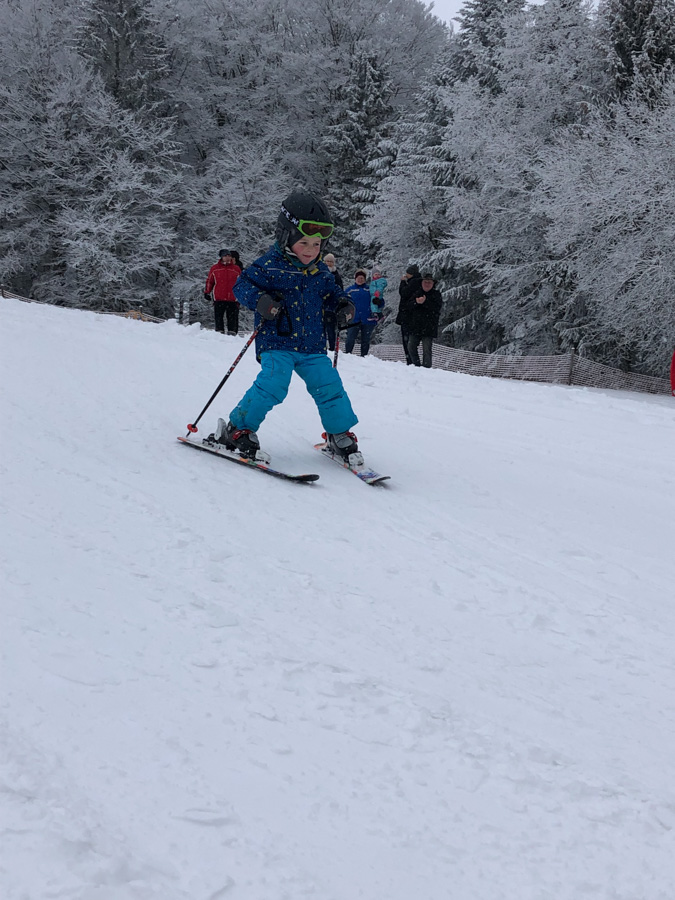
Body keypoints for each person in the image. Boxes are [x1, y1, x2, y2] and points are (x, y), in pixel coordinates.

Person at [210, 190, 361, 464]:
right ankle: (237, 429)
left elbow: (331, 294)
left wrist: (342, 304)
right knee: (273, 384)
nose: (311, 250)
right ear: (285, 237)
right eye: (304, 242)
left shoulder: (319, 271)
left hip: (312, 345)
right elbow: (241, 286)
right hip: (277, 341)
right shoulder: (269, 265)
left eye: (317, 244)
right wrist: (261, 300)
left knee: (329, 386)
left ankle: (338, 433)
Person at [404, 272, 443, 368]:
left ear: (433, 284)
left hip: (429, 327)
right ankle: (416, 366)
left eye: (429, 282)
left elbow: (436, 308)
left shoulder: (436, 295)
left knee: (427, 350)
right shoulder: (416, 293)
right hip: (415, 326)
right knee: (411, 347)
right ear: (421, 283)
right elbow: (408, 306)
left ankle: (426, 369)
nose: (427, 284)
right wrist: (416, 302)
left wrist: (425, 302)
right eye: (425, 282)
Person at [204, 250, 242, 335]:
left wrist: (241, 294)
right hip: (219, 297)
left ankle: (232, 334)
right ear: (221, 257)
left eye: (229, 256)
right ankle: (219, 334)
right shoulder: (215, 268)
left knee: (232, 318)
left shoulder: (236, 269)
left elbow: (241, 283)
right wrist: (207, 292)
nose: (227, 258)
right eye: (225, 256)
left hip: (233, 298)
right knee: (218, 317)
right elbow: (210, 281)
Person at [344, 269, 377, 357]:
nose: (360, 280)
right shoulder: (350, 290)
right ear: (355, 279)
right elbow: (343, 303)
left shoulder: (370, 290)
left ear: (365, 279)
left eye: (362, 278)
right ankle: (347, 356)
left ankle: (364, 357)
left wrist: (379, 302)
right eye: (358, 278)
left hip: (368, 319)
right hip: (353, 319)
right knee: (350, 338)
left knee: (366, 340)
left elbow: (379, 301)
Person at [396, 264, 420, 364]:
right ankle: (413, 360)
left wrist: (402, 282)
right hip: (414, 316)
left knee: (407, 341)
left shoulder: (413, 282)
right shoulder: (418, 282)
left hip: (407, 316)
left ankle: (411, 361)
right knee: (411, 341)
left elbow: (403, 293)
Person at [322, 252, 343, 351]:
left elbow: (340, 288)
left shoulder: (336, 275)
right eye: (327, 261)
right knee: (320, 328)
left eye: (331, 261)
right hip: (321, 304)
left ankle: (332, 347)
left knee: (330, 328)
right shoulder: (320, 272)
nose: (329, 263)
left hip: (331, 305)